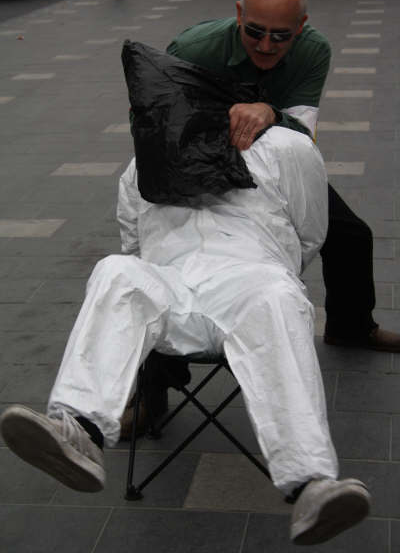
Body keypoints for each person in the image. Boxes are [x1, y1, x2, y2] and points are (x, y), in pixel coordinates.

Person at [1, 111, 371, 545]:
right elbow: (132, 239)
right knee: (117, 270)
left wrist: (270, 266)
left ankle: (310, 483)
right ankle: (81, 431)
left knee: (278, 294)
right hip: (170, 283)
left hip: (249, 279)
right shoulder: (148, 158)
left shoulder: (289, 148)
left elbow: (311, 231)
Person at [120, 0, 400, 437]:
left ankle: (350, 326)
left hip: (271, 165)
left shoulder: (313, 51)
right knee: (161, 263)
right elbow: (157, 126)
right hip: (197, 165)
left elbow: (304, 134)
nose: (267, 46)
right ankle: (151, 395)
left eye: (281, 36)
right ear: (238, 16)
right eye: (255, 32)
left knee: (351, 234)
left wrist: (270, 114)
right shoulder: (193, 49)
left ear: (302, 28)